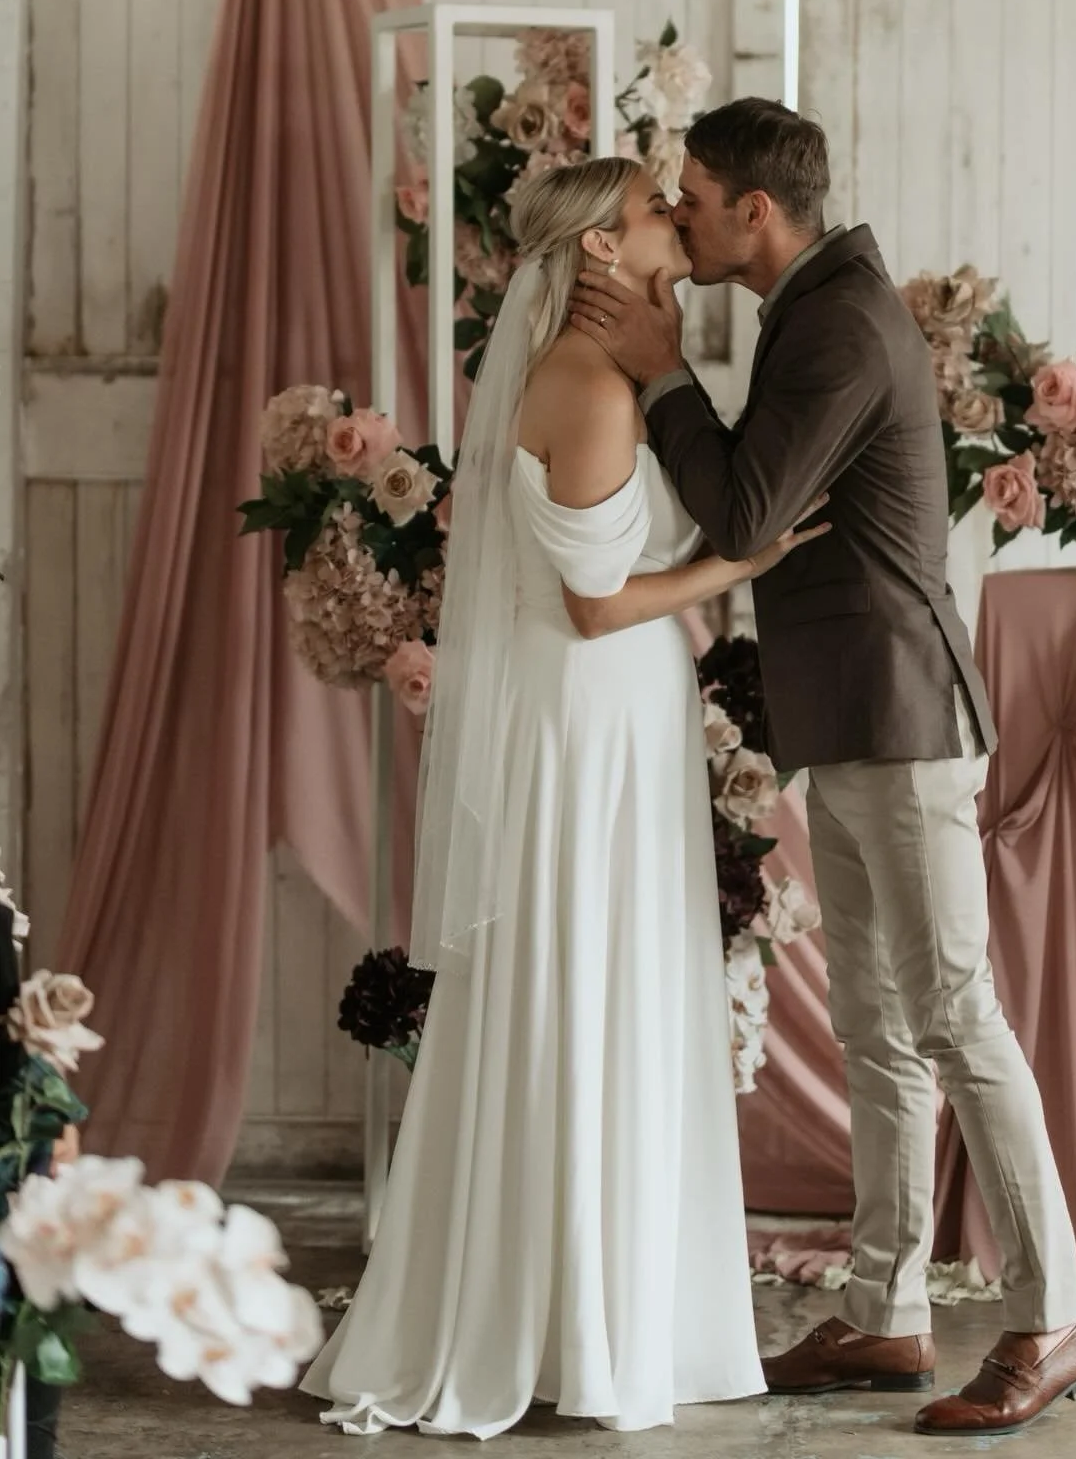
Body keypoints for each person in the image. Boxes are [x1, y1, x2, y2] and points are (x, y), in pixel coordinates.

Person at [571, 100, 1076, 1439]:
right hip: (858, 721)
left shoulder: (842, 322)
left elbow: (742, 511)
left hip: (904, 721)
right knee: (878, 1028)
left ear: (757, 211)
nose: (679, 217)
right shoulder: (814, 308)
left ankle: (1057, 1315)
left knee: (956, 1018)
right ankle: (886, 1314)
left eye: (695, 198)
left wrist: (661, 371)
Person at [302, 157, 824, 1438]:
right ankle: (575, 1326)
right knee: (588, 983)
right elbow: (596, 606)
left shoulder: (603, 373)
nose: (677, 217)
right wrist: (742, 564)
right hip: (590, 715)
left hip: (611, 711)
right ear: (597, 247)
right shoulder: (588, 388)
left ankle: (597, 1310)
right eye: (654, 207)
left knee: (602, 983)